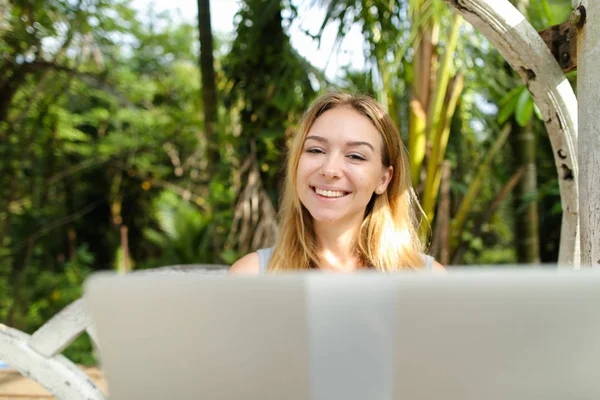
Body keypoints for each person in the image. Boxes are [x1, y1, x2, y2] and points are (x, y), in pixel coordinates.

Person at [229, 92, 443, 274]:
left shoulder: (427, 281)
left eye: (356, 156)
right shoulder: (250, 276)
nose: (330, 170)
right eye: (315, 150)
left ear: (383, 179)